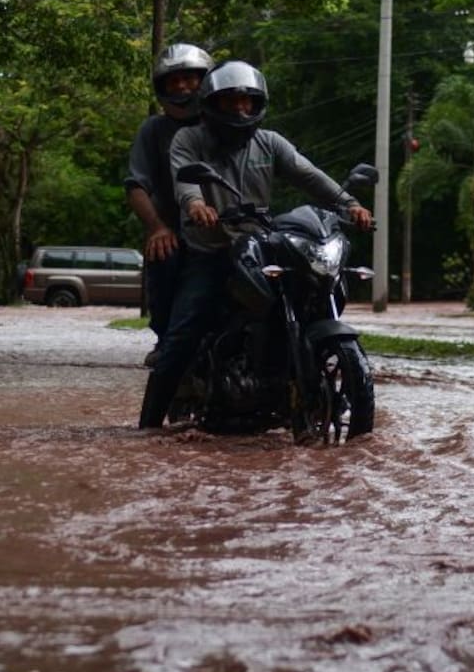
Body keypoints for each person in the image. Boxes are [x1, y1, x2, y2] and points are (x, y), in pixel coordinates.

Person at [137, 60, 373, 429]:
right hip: (210, 250)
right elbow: (185, 183)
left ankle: (304, 382)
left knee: (307, 288)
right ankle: (148, 426)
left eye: (248, 102)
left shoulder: (270, 142)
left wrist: (350, 204)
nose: (241, 109)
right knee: (182, 335)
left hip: (258, 243)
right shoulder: (190, 139)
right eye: (232, 102)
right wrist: (196, 205)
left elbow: (308, 175)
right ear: (213, 105)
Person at [125, 43, 214, 366]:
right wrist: (157, 227)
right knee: (165, 257)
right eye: (173, 81)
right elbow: (137, 184)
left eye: (189, 79)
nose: (181, 87)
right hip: (177, 229)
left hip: (230, 227)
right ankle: (167, 342)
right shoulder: (154, 130)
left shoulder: (228, 122)